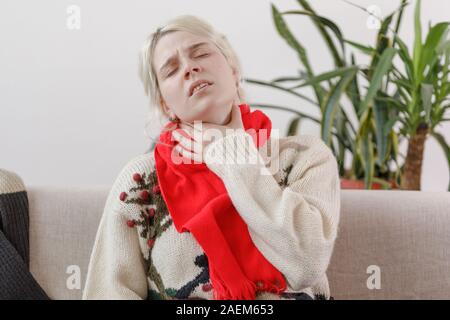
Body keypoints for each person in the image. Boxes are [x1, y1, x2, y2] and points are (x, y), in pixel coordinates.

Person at [82, 15, 340, 300]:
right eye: (171, 70)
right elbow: (109, 293)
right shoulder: (140, 181)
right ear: (165, 105)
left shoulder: (303, 157)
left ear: (233, 70)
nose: (190, 68)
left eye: (201, 53)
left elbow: (306, 263)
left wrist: (231, 155)